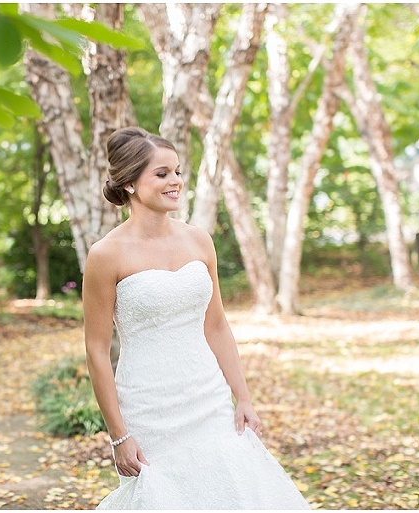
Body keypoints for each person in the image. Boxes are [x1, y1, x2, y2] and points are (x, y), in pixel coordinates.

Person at [83, 127, 310, 509]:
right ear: (130, 184)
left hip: (208, 396)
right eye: (161, 174)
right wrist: (119, 435)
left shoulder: (199, 240)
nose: (175, 181)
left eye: (176, 171)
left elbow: (217, 324)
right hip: (149, 405)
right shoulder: (106, 255)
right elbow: (96, 350)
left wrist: (244, 397)